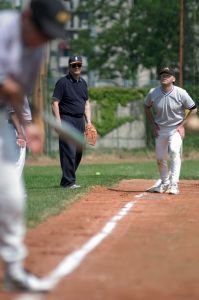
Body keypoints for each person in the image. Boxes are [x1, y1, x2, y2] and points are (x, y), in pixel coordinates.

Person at [0, 0, 69, 292]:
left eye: (49, 35)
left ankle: (13, 271)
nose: (43, 39)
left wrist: (29, 125)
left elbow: (20, 92)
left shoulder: (38, 47)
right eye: (41, 30)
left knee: (13, 197)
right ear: (26, 17)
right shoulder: (3, 28)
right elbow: (6, 83)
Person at [145, 67, 197, 195]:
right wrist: (152, 124)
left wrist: (182, 125)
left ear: (173, 79)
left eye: (168, 75)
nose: (164, 76)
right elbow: (146, 106)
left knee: (174, 151)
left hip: (175, 129)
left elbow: (193, 108)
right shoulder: (153, 92)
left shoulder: (181, 92)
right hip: (160, 129)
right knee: (160, 158)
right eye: (162, 74)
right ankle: (164, 183)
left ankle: (174, 184)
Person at [52, 55, 92, 189]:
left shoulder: (83, 83)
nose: (76, 67)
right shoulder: (62, 82)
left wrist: (89, 122)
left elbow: (86, 103)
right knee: (68, 151)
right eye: (74, 65)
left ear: (81, 67)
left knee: (78, 152)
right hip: (67, 119)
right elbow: (55, 103)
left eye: (78, 65)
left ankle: (66, 180)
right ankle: (69, 182)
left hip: (79, 120)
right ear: (69, 66)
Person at [7, 96, 32, 178]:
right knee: (17, 160)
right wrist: (20, 133)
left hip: (19, 126)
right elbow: (13, 112)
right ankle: (12, 189)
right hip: (16, 127)